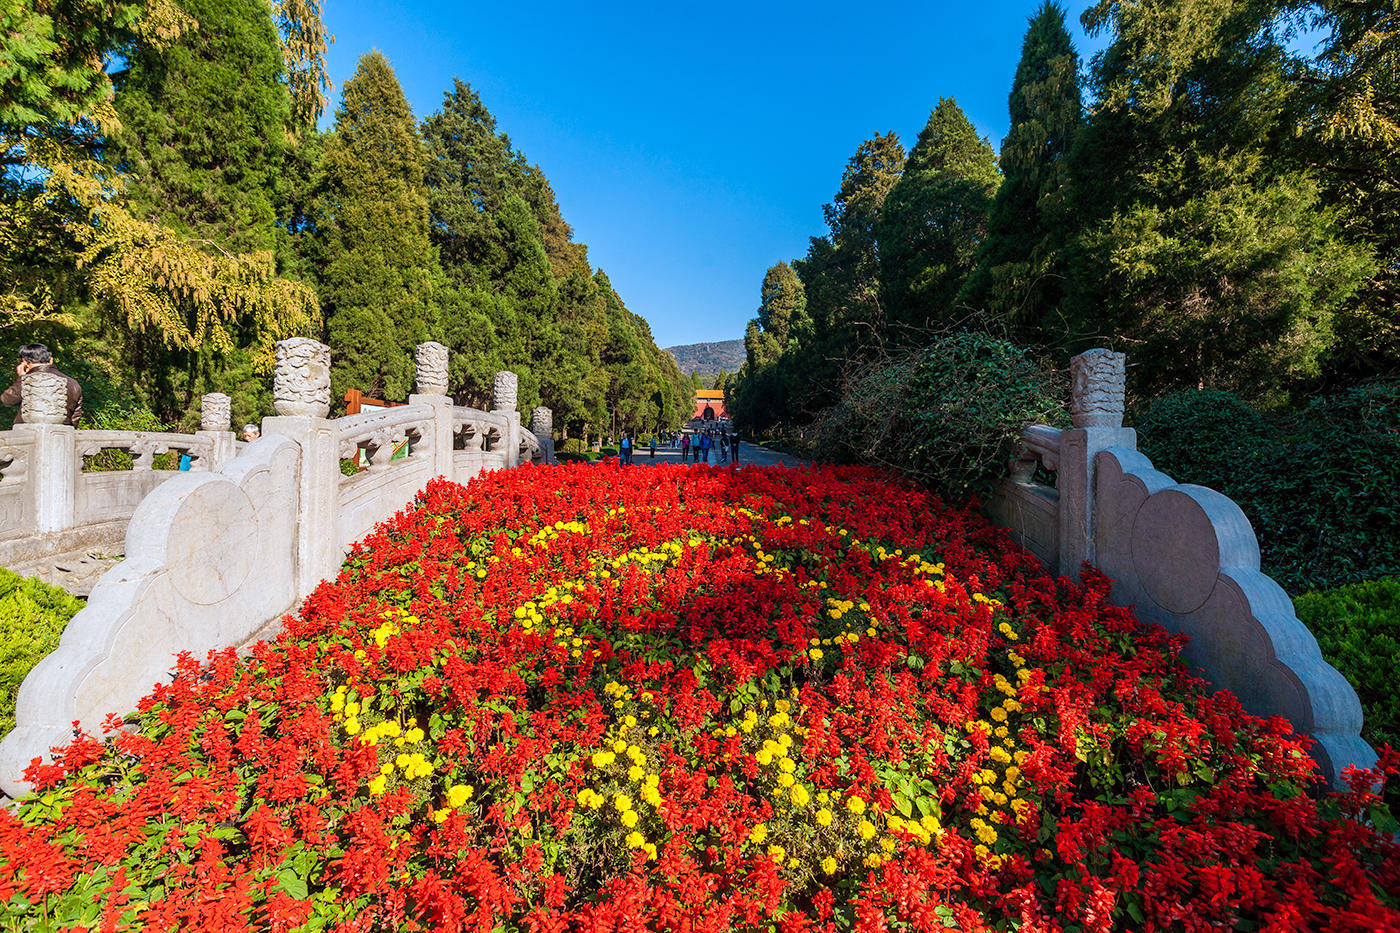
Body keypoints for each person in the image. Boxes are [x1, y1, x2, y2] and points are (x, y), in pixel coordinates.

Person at [0, 343, 82, 426]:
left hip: (28, 434)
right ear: (51, 360)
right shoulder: (73, 383)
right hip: (62, 434)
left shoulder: (28, 380)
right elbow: (75, 417)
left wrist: (21, 378)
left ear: (25, 362)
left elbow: (7, 400)